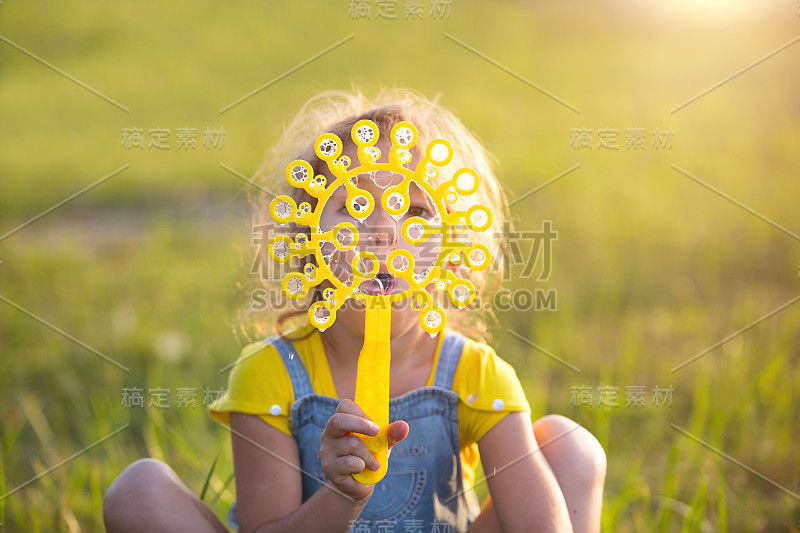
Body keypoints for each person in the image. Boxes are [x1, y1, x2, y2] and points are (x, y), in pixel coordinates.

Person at [103, 89, 606, 533]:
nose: (385, 232)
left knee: (570, 447)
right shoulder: (270, 375)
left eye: (415, 210)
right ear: (309, 237)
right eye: (356, 206)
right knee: (138, 489)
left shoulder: (476, 374)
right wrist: (342, 495)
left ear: (454, 244)